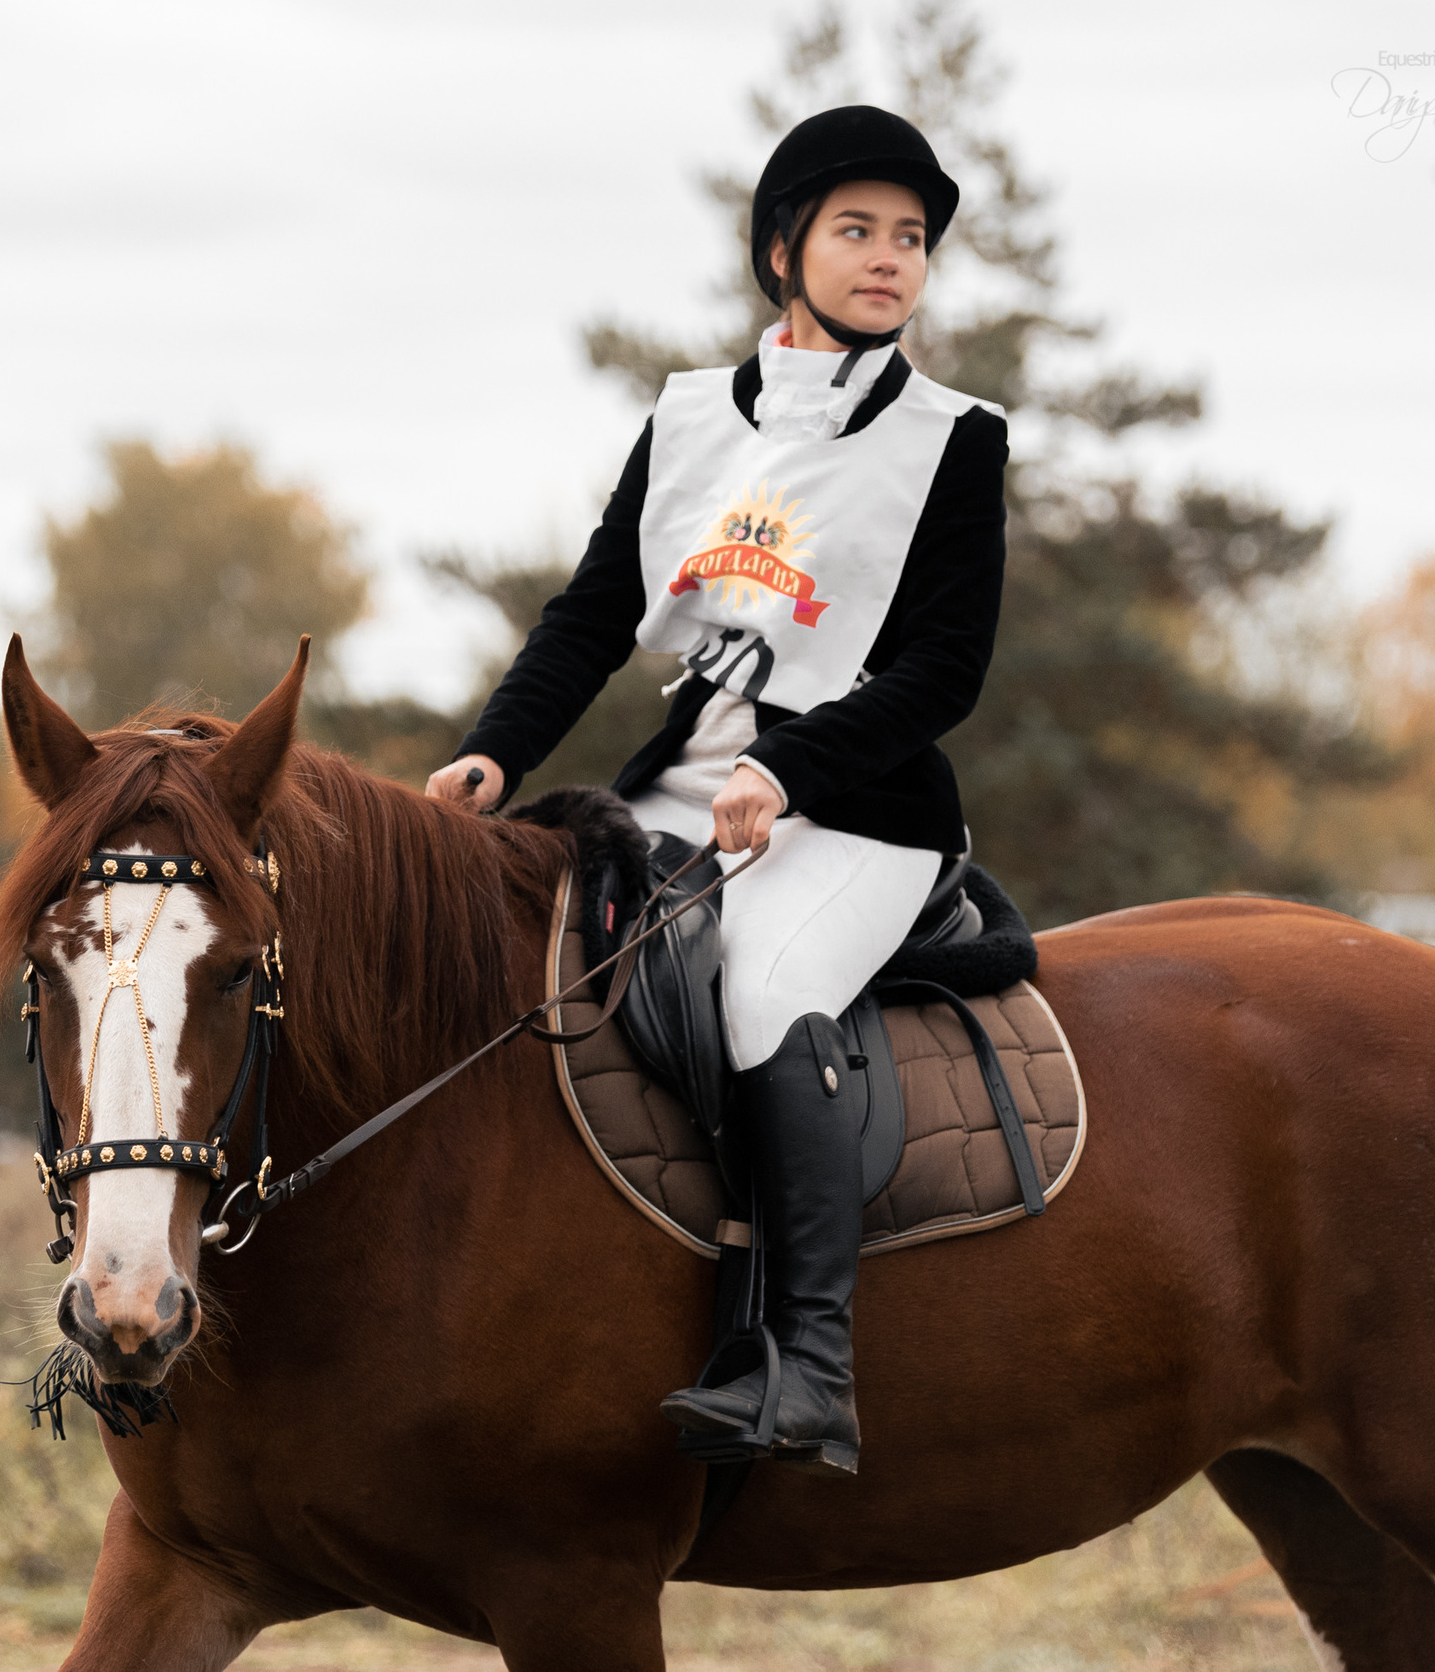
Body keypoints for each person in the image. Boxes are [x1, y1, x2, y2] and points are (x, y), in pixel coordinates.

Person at [427, 104, 1008, 1477]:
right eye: (858, 230)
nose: (890, 259)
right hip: (682, 791)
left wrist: (789, 767)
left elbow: (946, 669)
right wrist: (494, 754)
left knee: (756, 991)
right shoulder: (690, 419)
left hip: (859, 813)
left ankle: (807, 1365)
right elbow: (592, 614)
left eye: (912, 238)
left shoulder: (953, 437)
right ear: (781, 250)